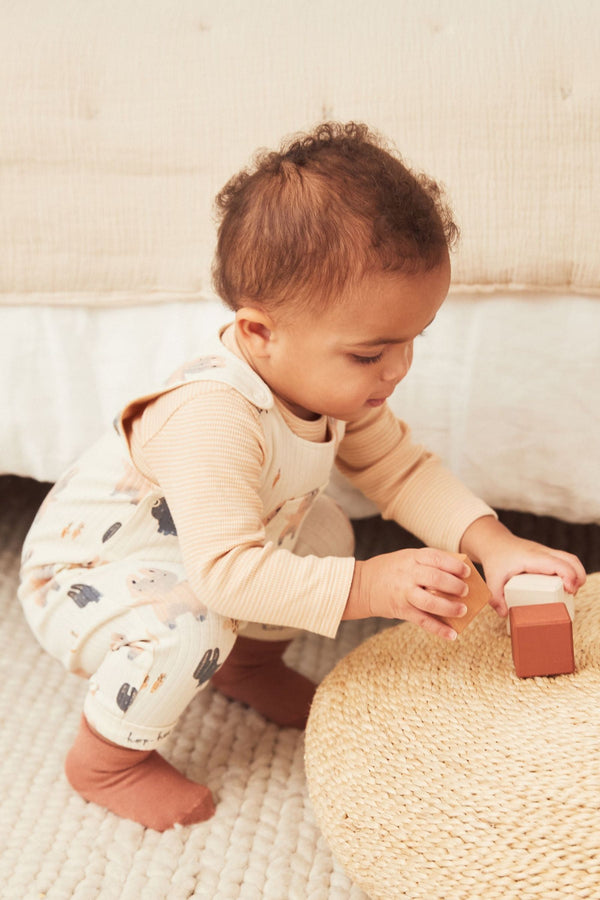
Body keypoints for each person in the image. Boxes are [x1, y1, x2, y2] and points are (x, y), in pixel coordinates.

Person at [18, 122, 586, 832]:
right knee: (191, 621)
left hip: (201, 555)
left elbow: (401, 470)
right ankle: (105, 760)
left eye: (413, 340)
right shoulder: (213, 418)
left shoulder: (326, 391)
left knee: (323, 528)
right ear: (260, 333)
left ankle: (246, 668)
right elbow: (225, 574)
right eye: (370, 352)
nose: (397, 370)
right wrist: (374, 587)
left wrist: (493, 543)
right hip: (89, 575)